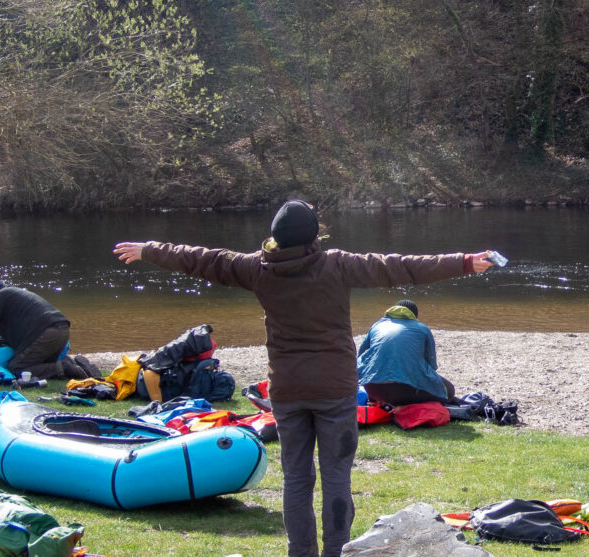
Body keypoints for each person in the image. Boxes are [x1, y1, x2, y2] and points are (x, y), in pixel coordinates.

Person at [113, 200, 494, 557]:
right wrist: (463, 262)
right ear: (315, 236)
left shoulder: (255, 267)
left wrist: (149, 249)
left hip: (288, 390)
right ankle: (337, 553)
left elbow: (200, 259)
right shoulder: (337, 264)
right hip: (334, 389)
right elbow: (402, 266)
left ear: (276, 236)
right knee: (336, 479)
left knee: (297, 479)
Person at [0, 277, 88, 379]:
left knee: (16, 368)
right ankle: (74, 366)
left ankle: (63, 368)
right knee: (39, 364)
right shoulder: (16, 294)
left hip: (48, 333)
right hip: (62, 329)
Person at [357, 299, 455, 408]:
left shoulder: (376, 326)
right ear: (414, 316)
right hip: (405, 392)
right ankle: (406, 404)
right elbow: (431, 365)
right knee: (449, 390)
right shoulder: (422, 328)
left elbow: (360, 356)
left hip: (373, 390)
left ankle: (375, 402)